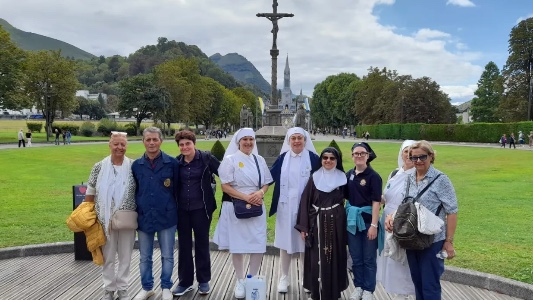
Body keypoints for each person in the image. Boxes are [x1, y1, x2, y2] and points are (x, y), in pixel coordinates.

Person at [385, 140, 458, 300]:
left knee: (430, 285)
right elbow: (404, 204)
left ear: (431, 156)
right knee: (417, 282)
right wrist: (391, 217)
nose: (418, 161)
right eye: (413, 158)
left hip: (432, 241)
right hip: (411, 238)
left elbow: (452, 212)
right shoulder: (410, 178)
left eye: (422, 157)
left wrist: (449, 241)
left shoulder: (441, 180)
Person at [213, 128, 273, 299]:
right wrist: (246, 197)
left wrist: (260, 193)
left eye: (251, 139)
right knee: (237, 245)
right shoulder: (230, 160)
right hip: (237, 206)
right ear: (238, 142)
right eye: (245, 139)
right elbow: (225, 186)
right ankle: (240, 280)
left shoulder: (259, 159)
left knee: (258, 243)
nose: (248, 143)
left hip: (256, 205)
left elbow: (266, 183)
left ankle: (252, 279)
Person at [83, 131, 137, 300]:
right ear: (110, 144)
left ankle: (122, 288)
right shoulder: (98, 167)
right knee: (108, 256)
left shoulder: (134, 166)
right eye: (116, 144)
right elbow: (90, 194)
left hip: (127, 219)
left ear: (126, 146)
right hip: (104, 220)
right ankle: (108, 288)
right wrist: (88, 215)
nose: (119, 147)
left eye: (123, 144)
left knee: (125, 256)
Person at [269, 127, 320, 293]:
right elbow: (269, 177)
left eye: (300, 138)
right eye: (294, 138)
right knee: (285, 243)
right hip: (286, 207)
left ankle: (308, 278)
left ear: (305, 140)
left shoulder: (313, 158)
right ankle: (284, 277)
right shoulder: (283, 158)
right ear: (289, 141)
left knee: (307, 242)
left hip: (308, 208)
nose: (297, 141)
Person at [131, 127, 179, 300]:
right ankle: (147, 287)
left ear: (161, 141)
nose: (151, 143)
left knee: (167, 255)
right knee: (145, 257)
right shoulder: (136, 165)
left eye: (155, 139)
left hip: (167, 216)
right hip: (144, 217)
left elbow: (177, 190)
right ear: (143, 141)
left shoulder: (172, 163)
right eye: (148, 139)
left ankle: (166, 286)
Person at [295, 147, 349, 300]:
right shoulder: (314, 178)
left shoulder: (343, 178)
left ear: (337, 161)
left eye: (332, 158)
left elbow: (352, 199)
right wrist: (304, 227)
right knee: (316, 256)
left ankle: (333, 292)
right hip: (316, 223)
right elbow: (305, 202)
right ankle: (316, 291)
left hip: (336, 224)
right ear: (321, 160)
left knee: (334, 255)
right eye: (325, 157)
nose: (328, 161)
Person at [172, 130, 220, 296]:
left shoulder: (206, 158)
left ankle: (203, 280)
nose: (185, 147)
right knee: (183, 245)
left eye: (188, 143)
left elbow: (225, 173)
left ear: (194, 143)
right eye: (181, 145)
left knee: (202, 244)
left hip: (202, 209)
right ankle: (185, 282)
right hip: (182, 211)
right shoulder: (176, 162)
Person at [376, 140, 416, 299]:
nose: (409, 154)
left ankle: (403, 294)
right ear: (401, 153)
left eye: (412, 151)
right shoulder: (394, 173)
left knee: (402, 259)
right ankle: (396, 292)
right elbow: (388, 196)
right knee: (390, 258)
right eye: (406, 151)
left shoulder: (417, 175)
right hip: (386, 221)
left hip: (403, 222)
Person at [346, 142, 382, 300]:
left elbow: (376, 202)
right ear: (352, 156)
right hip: (352, 223)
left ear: (368, 155)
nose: (359, 156)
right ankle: (358, 286)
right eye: (356, 153)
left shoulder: (374, 177)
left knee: (368, 258)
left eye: (362, 153)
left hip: (368, 222)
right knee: (356, 257)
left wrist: (374, 225)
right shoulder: (348, 175)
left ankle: (369, 289)